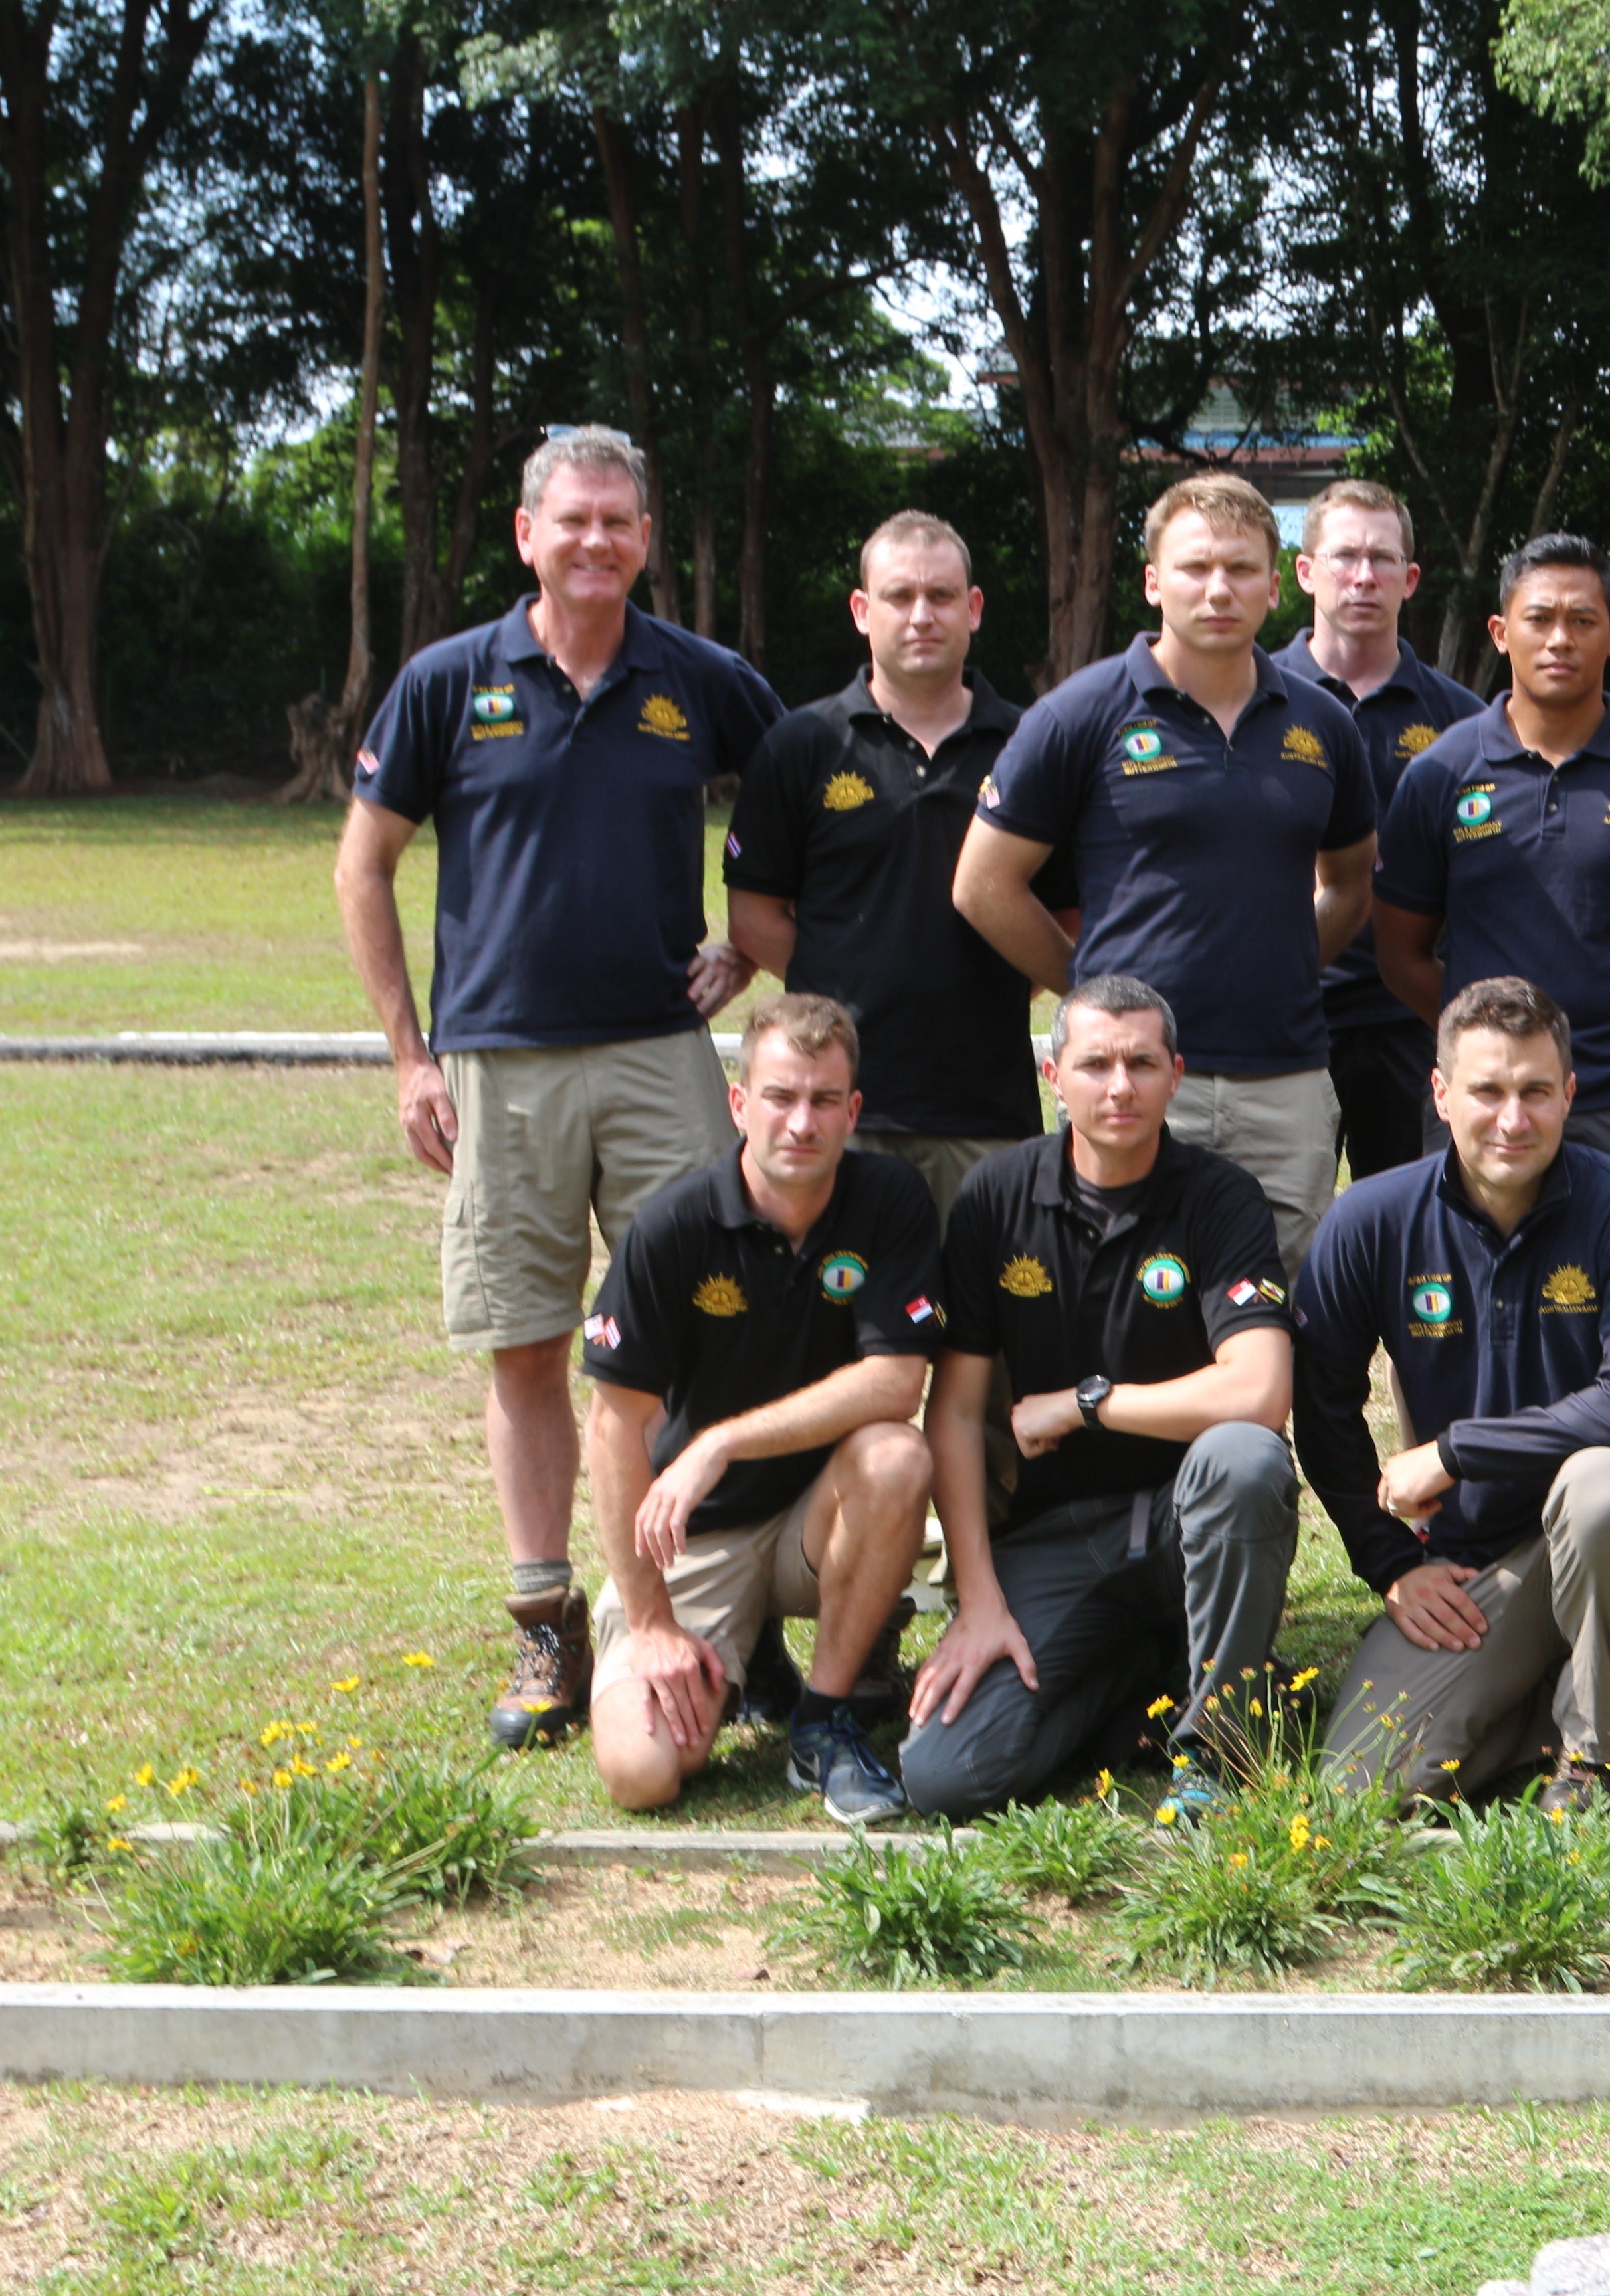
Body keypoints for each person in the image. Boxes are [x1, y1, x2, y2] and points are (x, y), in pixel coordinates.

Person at [333, 423, 784, 1749]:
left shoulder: (701, 681)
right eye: (570, 520)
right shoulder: (446, 681)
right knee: (528, 1343)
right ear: (527, 535)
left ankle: (705, 1613)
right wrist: (410, 1054)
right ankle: (547, 1636)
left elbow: (805, 798)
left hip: (660, 1054)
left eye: (619, 522)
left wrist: (748, 946)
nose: (596, 541)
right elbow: (364, 868)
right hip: (498, 1065)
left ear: (647, 538)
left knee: (711, 1329)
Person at [898, 976, 1302, 1820]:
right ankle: (1139, 1677)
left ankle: (1218, 1747)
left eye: (1142, 1064)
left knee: (1245, 1456)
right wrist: (977, 1601)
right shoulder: (995, 1199)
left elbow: (1260, 1391)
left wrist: (1089, 1403)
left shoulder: (1219, 1198)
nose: (1120, 1087)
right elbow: (957, 1412)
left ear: (1176, 1073)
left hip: (1186, 1519)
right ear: (1054, 1076)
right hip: (1054, 1535)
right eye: (1096, 1064)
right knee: (945, 1776)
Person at [955, 472, 1375, 1270]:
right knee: (1122, 1308)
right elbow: (982, 883)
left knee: (1272, 1315)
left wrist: (1285, 962)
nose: (1219, 588)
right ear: (1153, 582)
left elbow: (1352, 881)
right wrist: (1090, 993)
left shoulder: (1325, 725)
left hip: (1282, 1079)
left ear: (1276, 584)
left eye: (1243, 569)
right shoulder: (1079, 714)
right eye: (1194, 568)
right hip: (1133, 1081)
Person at [1292, 978, 1610, 1810]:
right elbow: (1323, 1406)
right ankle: (1545, 1700)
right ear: (1440, 1094)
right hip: (1474, 1565)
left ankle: (1599, 1761)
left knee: (1602, 1485)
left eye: (1536, 1092)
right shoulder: (1369, 1220)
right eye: (1488, 1091)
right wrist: (1390, 1561)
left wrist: (1452, 1451)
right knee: (1360, 1790)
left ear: (1569, 1093)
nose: (1513, 1119)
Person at [576, 995, 938, 1823]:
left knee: (896, 1453)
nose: (800, 1122)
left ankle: (824, 1719)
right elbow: (613, 1427)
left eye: (822, 1101)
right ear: (741, 1105)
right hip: (699, 1532)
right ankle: (736, 1655)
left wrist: (720, 1441)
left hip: (821, 1515)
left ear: (853, 1111)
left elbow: (895, 1387)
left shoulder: (890, 1201)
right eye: (779, 1096)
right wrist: (651, 1624)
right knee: (642, 1773)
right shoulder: (673, 1224)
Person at [1373, 533, 1610, 1176]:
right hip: (1483, 1099)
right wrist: (1488, 1037)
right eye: (1539, 619)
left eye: (1582, 621)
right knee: (1472, 1274)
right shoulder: (1440, 775)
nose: (1560, 639)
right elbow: (1400, 954)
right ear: (1499, 631)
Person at [725, 512, 1047, 1218]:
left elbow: (1065, 914)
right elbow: (753, 918)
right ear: (862, 612)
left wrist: (973, 995)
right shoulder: (801, 743)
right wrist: (847, 984)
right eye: (900, 597)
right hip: (840, 1108)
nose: (922, 615)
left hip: (988, 1107)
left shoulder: (1031, 744)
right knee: (844, 1322)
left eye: (941, 595)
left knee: (985, 1326)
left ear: (975, 608)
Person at [1279, 479, 1488, 1181]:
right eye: (1344, 556)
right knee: (1282, 1235)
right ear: (1305, 571)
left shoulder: (1465, 721)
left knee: (1416, 1241)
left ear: (1411, 578)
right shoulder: (1255, 699)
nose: (1363, 575)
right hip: (1286, 1013)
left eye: (1382, 559)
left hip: (1415, 1020)